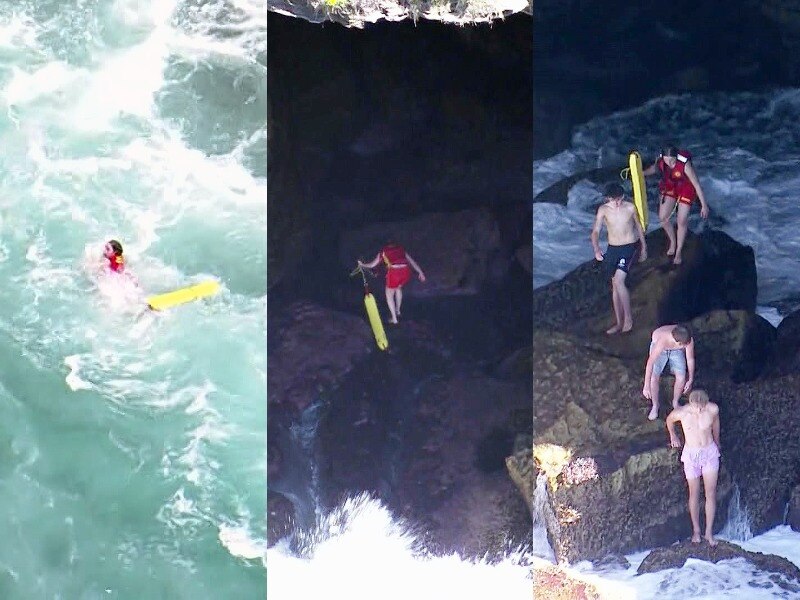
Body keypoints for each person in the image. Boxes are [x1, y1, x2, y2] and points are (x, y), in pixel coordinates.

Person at [590, 182, 648, 335]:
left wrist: (644, 247)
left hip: (629, 247)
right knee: (614, 285)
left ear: (622, 196)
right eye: (612, 200)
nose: (616, 203)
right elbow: (595, 231)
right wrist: (596, 249)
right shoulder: (603, 210)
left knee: (619, 281)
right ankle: (619, 322)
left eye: (619, 199)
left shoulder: (630, 207)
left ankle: (628, 319)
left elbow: (639, 227)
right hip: (613, 249)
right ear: (607, 198)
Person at [666, 389, 721, 546]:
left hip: (709, 452)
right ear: (691, 404)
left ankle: (708, 532)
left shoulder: (713, 409)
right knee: (694, 493)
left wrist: (717, 442)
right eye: (698, 407)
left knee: (710, 493)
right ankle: (696, 531)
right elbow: (669, 420)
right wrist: (673, 436)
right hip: (691, 455)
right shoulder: (682, 413)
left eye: (703, 407)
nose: (700, 410)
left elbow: (716, 424)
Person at [643, 145, 710, 266]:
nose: (669, 162)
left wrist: (704, 205)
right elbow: (654, 169)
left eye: (672, 160)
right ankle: (673, 242)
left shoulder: (685, 165)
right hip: (670, 186)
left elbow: (696, 184)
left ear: (676, 157)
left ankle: (678, 251)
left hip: (686, 188)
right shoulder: (661, 161)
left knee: (681, 220)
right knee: (663, 217)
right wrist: (641, 173)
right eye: (666, 159)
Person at [358, 242, 425, 324]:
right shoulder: (401, 249)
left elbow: (372, 265)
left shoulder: (384, 251)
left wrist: (362, 265)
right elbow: (412, 262)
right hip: (406, 271)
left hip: (395, 272)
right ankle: (398, 311)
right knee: (398, 288)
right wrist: (420, 272)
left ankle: (394, 319)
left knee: (389, 295)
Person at [642, 324, 695, 420]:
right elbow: (650, 363)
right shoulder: (662, 341)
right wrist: (646, 385)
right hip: (660, 348)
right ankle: (655, 405)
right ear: (679, 343)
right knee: (654, 377)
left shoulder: (687, 339)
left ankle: (675, 402)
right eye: (684, 346)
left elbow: (690, 359)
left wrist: (690, 379)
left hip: (676, 350)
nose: (686, 347)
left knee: (681, 376)